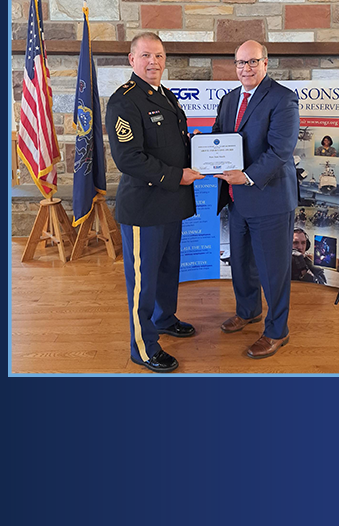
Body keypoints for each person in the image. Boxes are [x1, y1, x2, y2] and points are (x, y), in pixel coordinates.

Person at [105, 33, 204, 373]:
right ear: (131, 60)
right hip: (144, 208)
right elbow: (129, 159)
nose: (153, 62)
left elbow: (172, 147)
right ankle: (143, 348)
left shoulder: (167, 96)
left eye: (159, 55)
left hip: (171, 205)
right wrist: (177, 176)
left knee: (166, 271)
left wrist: (203, 152)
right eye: (145, 55)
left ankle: (164, 318)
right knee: (142, 283)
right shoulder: (124, 101)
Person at [211, 40, 300, 359]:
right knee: (242, 263)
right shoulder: (229, 98)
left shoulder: (283, 98)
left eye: (252, 62)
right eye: (240, 63)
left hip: (270, 199)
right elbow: (218, 136)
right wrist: (203, 154)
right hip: (237, 200)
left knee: (273, 270)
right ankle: (248, 311)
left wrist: (246, 176)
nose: (245, 69)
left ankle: (278, 331)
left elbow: (280, 151)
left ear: (266, 63)